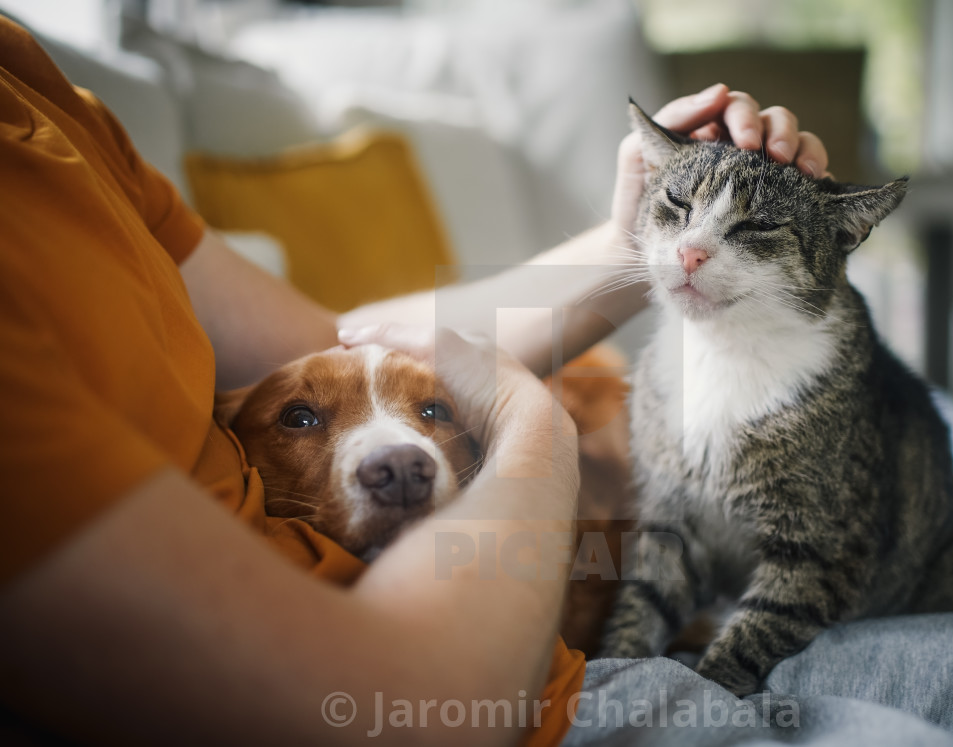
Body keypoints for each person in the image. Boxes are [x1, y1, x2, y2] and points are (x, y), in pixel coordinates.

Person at [0, 15, 828, 745]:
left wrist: (630, 241)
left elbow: (343, 351)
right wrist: (532, 423)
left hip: (568, 660)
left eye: (432, 415)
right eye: (297, 422)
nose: (395, 455)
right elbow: (403, 713)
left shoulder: (36, 88)